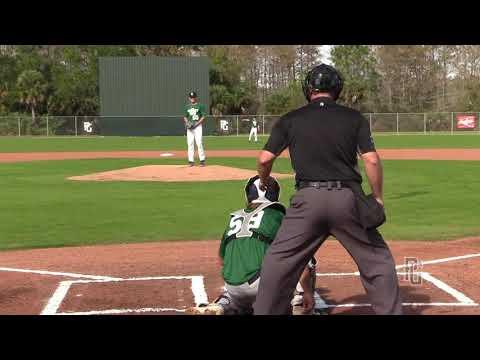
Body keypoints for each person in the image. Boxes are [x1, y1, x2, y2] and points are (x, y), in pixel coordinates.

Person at [253, 64, 403, 315]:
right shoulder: (354, 118)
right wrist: (377, 197)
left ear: (308, 89)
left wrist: (264, 180)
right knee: (378, 261)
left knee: (277, 263)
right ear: (337, 89)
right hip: (347, 200)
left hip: (307, 201)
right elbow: (372, 160)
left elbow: (264, 159)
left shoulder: (291, 119)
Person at [186, 175, 328, 315]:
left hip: (233, 286)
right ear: (275, 195)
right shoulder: (278, 216)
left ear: (248, 195)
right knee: (305, 256)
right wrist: (308, 293)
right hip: (262, 286)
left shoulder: (234, 217)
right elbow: (298, 256)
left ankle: (223, 305)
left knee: (239, 295)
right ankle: (299, 302)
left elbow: (222, 260)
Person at [183, 91, 207, 167]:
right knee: (190, 144)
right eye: (191, 97)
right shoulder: (187, 107)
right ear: (189, 98)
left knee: (199, 143)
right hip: (190, 128)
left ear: (196, 97)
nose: (192, 98)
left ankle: (202, 161)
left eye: (193, 97)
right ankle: (191, 161)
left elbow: (203, 116)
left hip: (198, 127)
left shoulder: (200, 106)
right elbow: (185, 117)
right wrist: (187, 123)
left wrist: (197, 124)